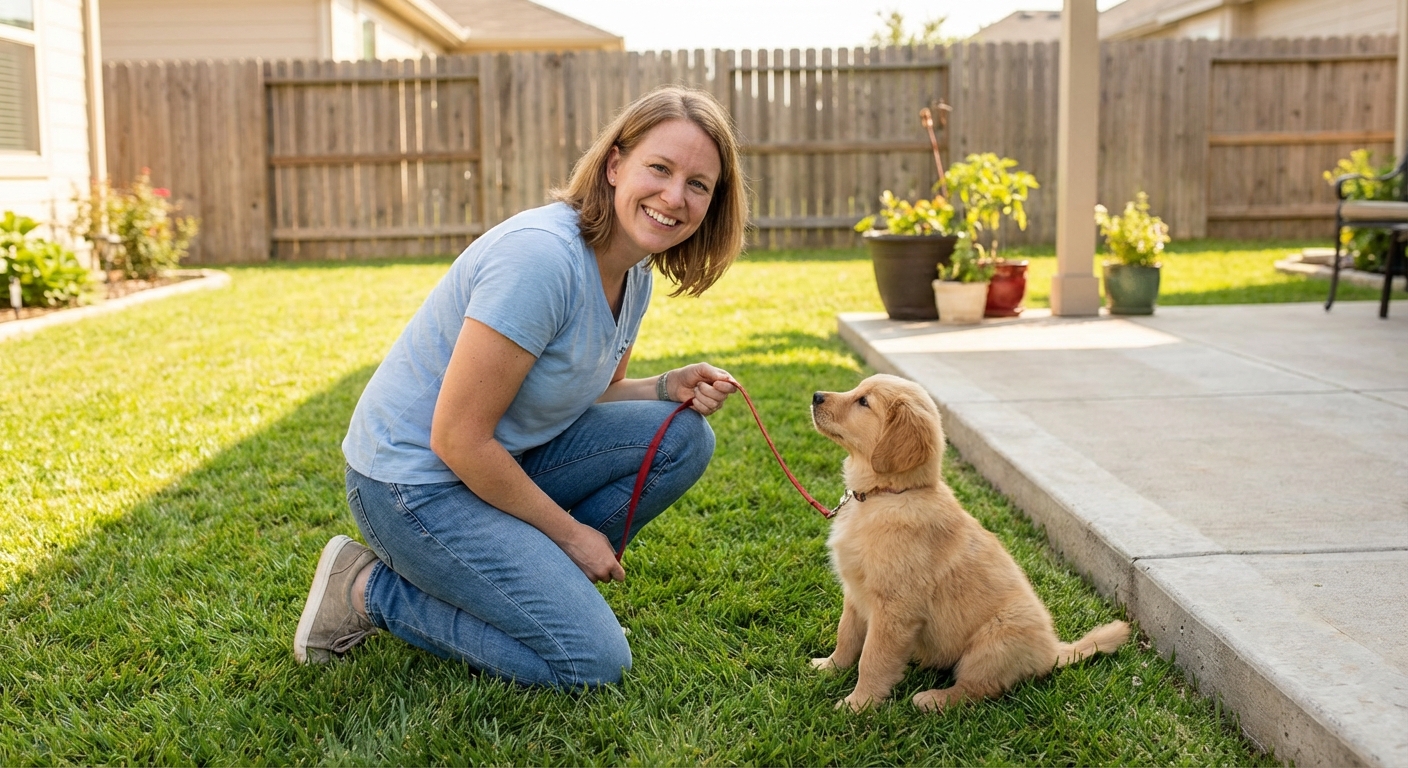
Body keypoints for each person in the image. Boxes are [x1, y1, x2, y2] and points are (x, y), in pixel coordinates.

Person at [292, 85, 749, 689]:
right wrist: (573, 535)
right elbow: (457, 437)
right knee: (592, 662)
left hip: (498, 462)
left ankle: (534, 592)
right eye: (659, 169)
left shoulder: (631, 271)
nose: (674, 197)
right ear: (615, 165)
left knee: (683, 436)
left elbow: (591, 395)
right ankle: (366, 588)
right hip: (412, 486)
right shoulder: (542, 259)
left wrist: (668, 386)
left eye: (698, 184)